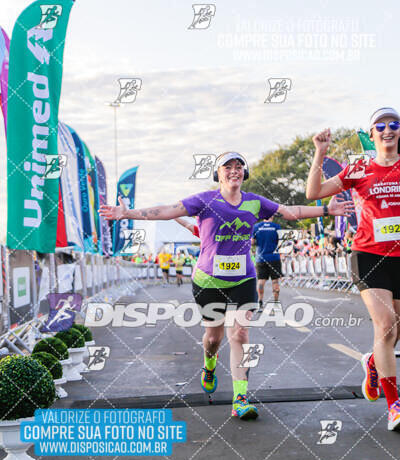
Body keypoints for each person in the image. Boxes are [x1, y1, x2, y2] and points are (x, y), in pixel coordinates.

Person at [100, 151, 353, 421]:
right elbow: (167, 210)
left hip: (243, 278)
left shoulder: (255, 202)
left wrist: (328, 209)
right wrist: (128, 214)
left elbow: (291, 212)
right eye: (227, 166)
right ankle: (209, 364)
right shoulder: (204, 200)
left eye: (239, 166)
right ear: (218, 174)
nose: (234, 170)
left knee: (240, 334)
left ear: (244, 173)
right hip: (208, 281)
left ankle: (240, 398)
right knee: (213, 338)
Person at [306, 107, 400, 432]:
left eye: (393, 124)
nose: (387, 130)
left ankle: (373, 361)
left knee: (394, 333)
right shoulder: (359, 167)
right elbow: (314, 193)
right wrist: (320, 152)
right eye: (380, 126)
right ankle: (394, 406)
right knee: (386, 326)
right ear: (371, 134)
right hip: (369, 254)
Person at [251, 217, 282, 311]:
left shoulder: (256, 227)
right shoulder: (277, 227)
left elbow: (251, 242)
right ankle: (276, 303)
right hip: (274, 257)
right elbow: (282, 242)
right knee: (275, 281)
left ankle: (260, 302)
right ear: (272, 216)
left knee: (261, 281)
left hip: (261, 258)